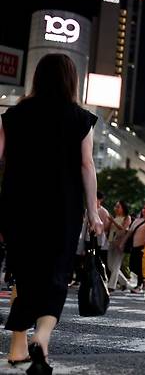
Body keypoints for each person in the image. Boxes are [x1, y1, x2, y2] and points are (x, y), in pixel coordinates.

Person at [0, 54, 103, 374]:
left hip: (17, 206)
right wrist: (94, 213)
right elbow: (87, 166)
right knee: (56, 275)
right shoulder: (79, 118)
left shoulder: (13, 116)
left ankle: (18, 347)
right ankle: (41, 338)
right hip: (62, 207)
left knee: (25, 275)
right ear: (71, 80)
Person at [128, 203, 145, 293]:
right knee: (133, 266)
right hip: (135, 246)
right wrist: (122, 242)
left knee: (140, 266)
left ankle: (139, 285)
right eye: (143, 208)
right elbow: (130, 233)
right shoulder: (137, 221)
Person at [107, 201, 132, 292]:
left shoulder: (127, 218)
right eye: (115, 206)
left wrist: (112, 221)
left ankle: (111, 286)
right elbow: (108, 229)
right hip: (111, 242)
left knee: (116, 265)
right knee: (110, 265)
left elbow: (123, 228)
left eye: (118, 207)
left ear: (123, 208)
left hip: (120, 243)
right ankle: (125, 283)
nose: (116, 208)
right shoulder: (115, 217)